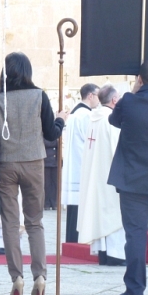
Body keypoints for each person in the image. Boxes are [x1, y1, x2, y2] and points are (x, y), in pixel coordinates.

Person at [0, 52, 67, 295]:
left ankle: (16, 277)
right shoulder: (39, 96)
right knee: (35, 222)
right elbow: (51, 132)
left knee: (10, 222)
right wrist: (60, 120)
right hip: (34, 162)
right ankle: (40, 276)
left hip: (6, 163)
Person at [108, 60, 148, 295]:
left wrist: (135, 93)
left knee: (135, 235)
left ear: (140, 79)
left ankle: (135, 289)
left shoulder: (128, 101)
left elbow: (113, 121)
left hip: (133, 179)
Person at [77, 84, 125, 266]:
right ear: (114, 100)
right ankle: (115, 254)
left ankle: (103, 253)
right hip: (109, 175)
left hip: (95, 175)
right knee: (112, 213)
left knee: (100, 212)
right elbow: (117, 149)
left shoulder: (94, 118)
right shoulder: (111, 119)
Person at [61, 83, 100, 242]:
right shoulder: (87, 116)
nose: (99, 99)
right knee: (80, 206)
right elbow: (91, 140)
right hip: (82, 165)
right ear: (90, 95)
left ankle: (72, 239)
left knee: (74, 208)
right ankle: (78, 240)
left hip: (72, 165)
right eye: (97, 95)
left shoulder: (74, 114)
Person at [43, 138, 58, 210]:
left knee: (55, 184)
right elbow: (46, 143)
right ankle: (46, 203)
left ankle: (54, 203)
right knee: (47, 184)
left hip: (56, 161)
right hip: (46, 161)